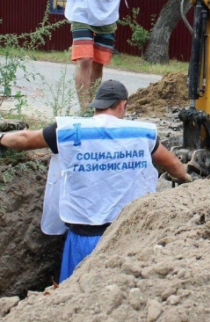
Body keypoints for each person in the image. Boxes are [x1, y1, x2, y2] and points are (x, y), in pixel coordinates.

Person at [0, 79, 191, 282]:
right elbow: (173, 165)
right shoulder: (142, 134)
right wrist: (188, 180)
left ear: (96, 105)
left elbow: (24, 139)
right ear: (122, 104)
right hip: (127, 236)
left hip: (83, 238)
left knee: (76, 296)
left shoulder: (68, 131)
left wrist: (2, 137)